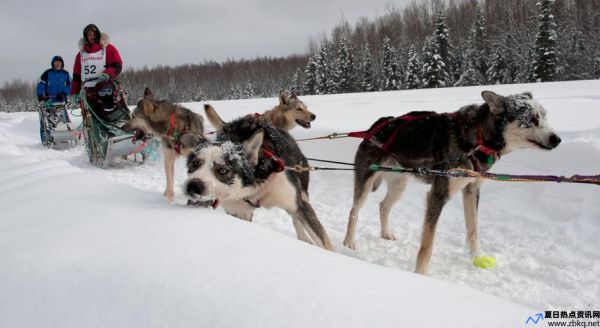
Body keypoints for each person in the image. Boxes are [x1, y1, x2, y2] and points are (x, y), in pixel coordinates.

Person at [69, 23, 123, 103]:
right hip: (87, 92)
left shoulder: (108, 49)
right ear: (85, 37)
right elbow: (76, 77)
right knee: (89, 115)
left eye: (94, 34)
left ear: (97, 35)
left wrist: (107, 74)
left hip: (105, 90)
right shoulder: (80, 55)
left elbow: (117, 65)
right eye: (89, 35)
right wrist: (74, 93)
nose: (92, 37)